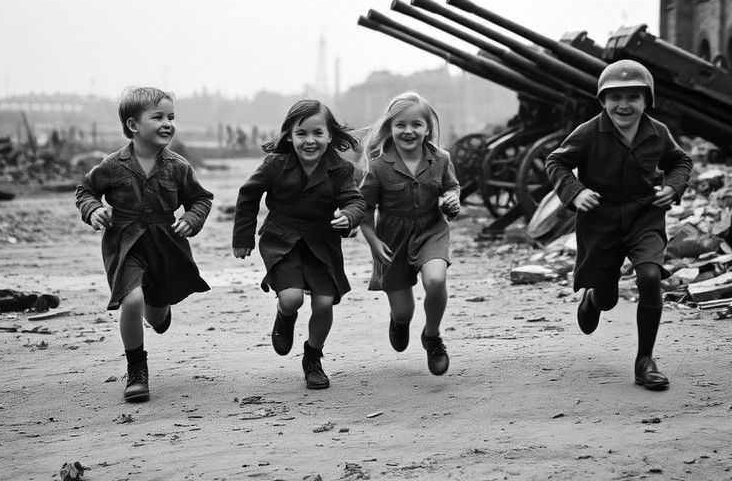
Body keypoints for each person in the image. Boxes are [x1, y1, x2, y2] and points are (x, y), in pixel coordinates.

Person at [545, 61, 692, 390]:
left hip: (645, 215)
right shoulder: (588, 132)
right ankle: (594, 298)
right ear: (602, 100)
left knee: (650, 276)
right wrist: (575, 191)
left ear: (646, 100)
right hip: (601, 220)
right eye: (615, 97)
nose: (624, 105)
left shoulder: (658, 132)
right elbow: (556, 161)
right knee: (609, 298)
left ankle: (645, 361)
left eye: (633, 96)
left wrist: (673, 187)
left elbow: (680, 160)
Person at [75, 87, 213, 403]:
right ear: (134, 125)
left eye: (171, 117)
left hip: (166, 244)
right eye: (158, 117)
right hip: (125, 243)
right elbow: (86, 191)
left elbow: (200, 199)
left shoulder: (178, 166)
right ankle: (137, 369)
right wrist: (94, 209)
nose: (167, 123)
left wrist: (192, 219)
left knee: (156, 312)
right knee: (132, 301)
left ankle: (160, 309)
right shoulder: (112, 165)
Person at [232, 100, 365, 389]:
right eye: (301, 133)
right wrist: (243, 238)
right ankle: (284, 316)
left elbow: (355, 201)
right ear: (289, 135)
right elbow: (248, 195)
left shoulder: (341, 169)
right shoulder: (275, 164)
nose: (310, 141)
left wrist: (348, 216)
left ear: (330, 136)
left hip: (322, 242)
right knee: (291, 298)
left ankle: (313, 358)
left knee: (324, 302)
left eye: (318, 133)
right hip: (282, 239)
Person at [359, 92, 461, 376]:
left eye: (416, 124)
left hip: (431, 229)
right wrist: (373, 242)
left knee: (436, 280)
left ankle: (432, 336)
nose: (408, 131)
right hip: (392, 239)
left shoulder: (441, 160)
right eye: (400, 125)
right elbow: (365, 211)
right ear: (390, 129)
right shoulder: (379, 168)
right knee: (404, 311)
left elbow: (451, 188)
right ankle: (399, 321)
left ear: (427, 128)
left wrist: (452, 199)